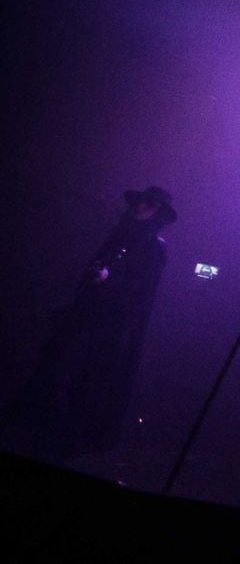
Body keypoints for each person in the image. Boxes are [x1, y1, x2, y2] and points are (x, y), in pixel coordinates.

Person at [6, 185, 175, 463]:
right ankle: (35, 425)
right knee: (56, 363)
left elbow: (142, 290)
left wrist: (110, 280)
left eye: (149, 205)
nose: (140, 207)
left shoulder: (155, 248)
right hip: (85, 312)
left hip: (111, 324)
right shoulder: (119, 233)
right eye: (141, 202)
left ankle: (68, 438)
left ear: (158, 214)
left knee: (86, 376)